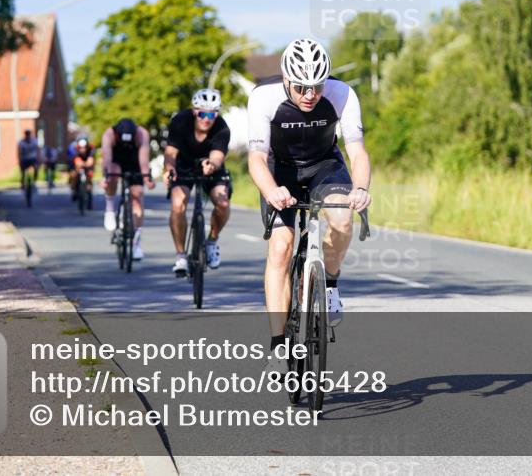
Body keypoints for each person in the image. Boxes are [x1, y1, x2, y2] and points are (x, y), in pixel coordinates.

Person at [247, 38, 371, 370]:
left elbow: (357, 151)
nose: (309, 94)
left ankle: (329, 285)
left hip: (324, 167)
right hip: (280, 170)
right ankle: (277, 344)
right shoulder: (264, 98)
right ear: (286, 79)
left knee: (343, 220)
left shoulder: (342, 94)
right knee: (281, 246)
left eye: (316, 86)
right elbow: (257, 158)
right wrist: (272, 190)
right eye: (301, 86)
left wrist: (359, 188)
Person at [164, 88, 233, 277]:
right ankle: (181, 256)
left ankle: (211, 241)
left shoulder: (222, 127)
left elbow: (217, 156)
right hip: (184, 166)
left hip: (210, 166)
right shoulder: (180, 121)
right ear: (195, 111)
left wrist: (211, 165)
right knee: (178, 204)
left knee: (223, 203)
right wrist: (169, 169)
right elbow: (170, 153)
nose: (207, 118)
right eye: (203, 113)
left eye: (212, 114)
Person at [101, 118, 155, 261]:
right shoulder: (109, 134)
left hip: (134, 162)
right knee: (112, 175)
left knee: (137, 194)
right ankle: (110, 209)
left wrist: (146, 178)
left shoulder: (142, 133)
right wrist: (106, 177)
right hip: (116, 160)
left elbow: (143, 159)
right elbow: (106, 158)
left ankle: (137, 243)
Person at [69, 136, 95, 201]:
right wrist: (79, 164)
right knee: (74, 174)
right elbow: (76, 160)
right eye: (81, 148)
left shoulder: (91, 149)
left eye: (84, 148)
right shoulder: (75, 149)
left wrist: (88, 163)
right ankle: (74, 189)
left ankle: (89, 189)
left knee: (90, 174)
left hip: (88, 163)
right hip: (78, 162)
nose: (83, 150)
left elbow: (91, 159)